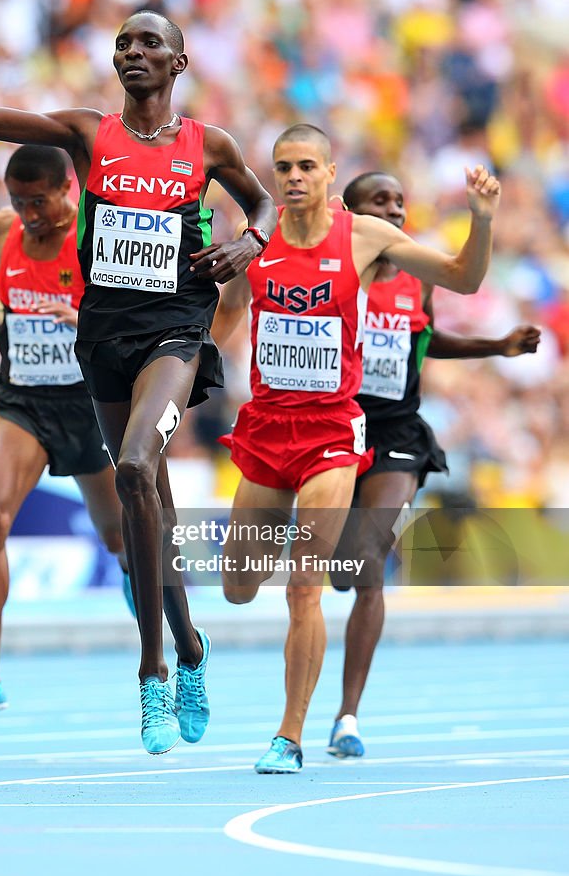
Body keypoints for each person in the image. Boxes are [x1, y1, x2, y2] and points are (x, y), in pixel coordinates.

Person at [0, 0, 277, 754]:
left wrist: (250, 242)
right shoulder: (86, 134)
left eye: (149, 43)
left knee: (138, 467)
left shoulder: (207, 145)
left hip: (176, 331)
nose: (133, 52)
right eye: (123, 43)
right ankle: (189, 646)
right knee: (154, 510)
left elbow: (261, 202)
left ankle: (150, 676)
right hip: (101, 340)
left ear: (179, 61)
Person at [211, 123, 499, 774]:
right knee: (236, 587)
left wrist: (481, 219)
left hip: (331, 432)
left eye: (306, 165)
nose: (293, 177)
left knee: (304, 588)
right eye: (282, 166)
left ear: (330, 173)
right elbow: (221, 321)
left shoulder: (364, 238)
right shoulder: (258, 240)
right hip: (265, 427)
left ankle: (289, 735)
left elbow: (464, 277)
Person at [326, 170, 541, 758]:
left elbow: (428, 338)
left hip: (397, 430)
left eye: (400, 201)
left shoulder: (417, 281)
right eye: (379, 202)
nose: (394, 211)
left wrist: (495, 346)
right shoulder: (334, 272)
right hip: (336, 425)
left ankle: (348, 715)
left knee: (365, 563)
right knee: (342, 571)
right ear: (351, 217)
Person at [0, 144, 134, 720]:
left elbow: (137, 312)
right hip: (23, 400)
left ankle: (133, 578)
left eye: (39, 201)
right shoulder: (7, 229)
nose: (28, 214)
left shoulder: (97, 237)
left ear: (69, 187)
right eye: (19, 201)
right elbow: (8, 296)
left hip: (89, 402)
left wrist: (87, 320)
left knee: (119, 538)